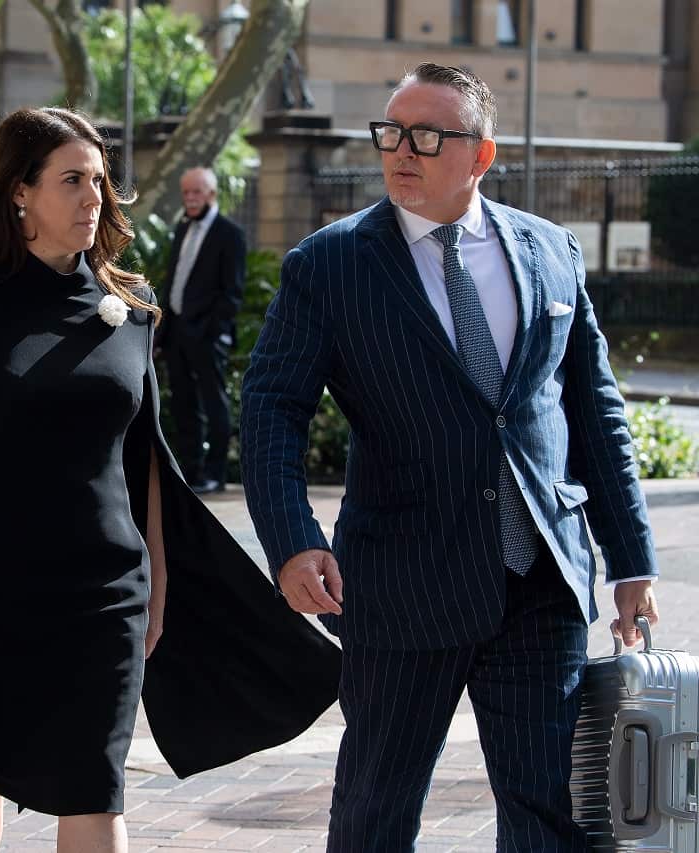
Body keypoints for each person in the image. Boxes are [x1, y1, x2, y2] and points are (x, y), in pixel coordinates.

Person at [0, 107, 341, 853]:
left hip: (101, 595)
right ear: (20, 192)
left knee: (92, 784)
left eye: (100, 180)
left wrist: (158, 583)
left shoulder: (131, 306)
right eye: (73, 180)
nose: (95, 197)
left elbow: (143, 457)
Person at [240, 62, 661, 851]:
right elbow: (271, 408)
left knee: (548, 811)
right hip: (403, 582)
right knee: (375, 807)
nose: (402, 150)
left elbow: (595, 413)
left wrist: (632, 556)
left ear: (481, 154)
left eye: (428, 135)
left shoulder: (550, 250)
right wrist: (294, 537)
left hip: (540, 577)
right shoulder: (329, 266)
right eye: (392, 132)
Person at [158, 166, 247, 494]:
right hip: (178, 331)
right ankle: (191, 471)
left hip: (207, 334)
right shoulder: (183, 228)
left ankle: (215, 473)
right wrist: (163, 330)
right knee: (183, 403)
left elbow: (232, 291)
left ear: (211, 194)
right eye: (186, 193)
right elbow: (173, 280)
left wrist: (213, 330)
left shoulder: (229, 234)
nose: (191, 199)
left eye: (197, 192)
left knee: (213, 403)